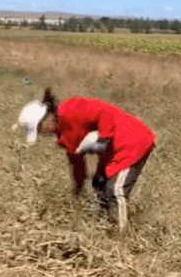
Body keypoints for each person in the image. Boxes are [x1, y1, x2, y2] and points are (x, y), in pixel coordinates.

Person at [17, 89, 157, 232]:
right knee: (99, 185)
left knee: (115, 191)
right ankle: (105, 229)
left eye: (40, 129)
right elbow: (77, 163)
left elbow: (103, 112)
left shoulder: (72, 109)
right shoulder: (63, 136)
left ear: (47, 118)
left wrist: (104, 137)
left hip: (133, 142)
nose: (43, 134)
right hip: (113, 152)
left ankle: (122, 237)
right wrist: (78, 188)